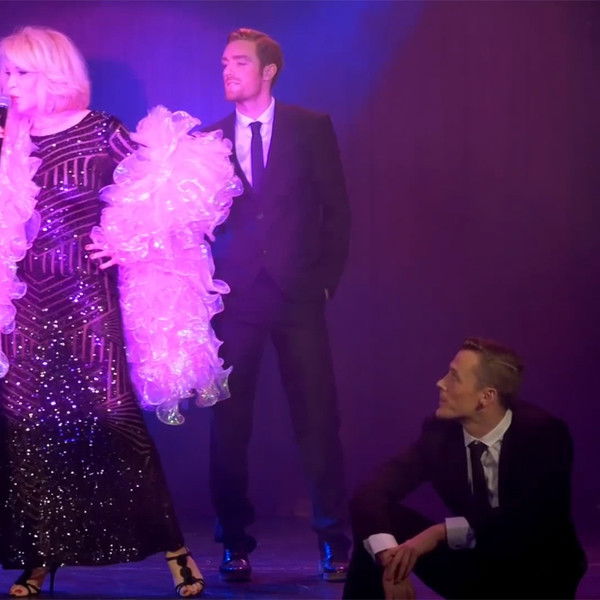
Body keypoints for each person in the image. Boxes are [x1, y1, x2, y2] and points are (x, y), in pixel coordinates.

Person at [0, 26, 208, 598]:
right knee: (27, 427)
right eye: (5, 72)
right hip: (24, 306)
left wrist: (130, 239)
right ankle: (39, 557)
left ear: (52, 73)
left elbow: (169, 184)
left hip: (86, 298)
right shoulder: (9, 137)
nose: (7, 83)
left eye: (18, 72)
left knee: (117, 418)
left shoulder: (100, 131)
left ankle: (175, 549)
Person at [205, 28, 352, 582]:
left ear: (268, 71)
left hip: (296, 296)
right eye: (224, 62)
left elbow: (336, 211)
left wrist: (324, 283)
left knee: (317, 419)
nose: (228, 70)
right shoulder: (208, 139)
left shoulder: (310, 128)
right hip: (235, 300)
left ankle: (334, 540)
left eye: (240, 62)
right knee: (228, 426)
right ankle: (233, 544)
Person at [343, 338, 587, 599]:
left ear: (486, 397)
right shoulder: (439, 433)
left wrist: (439, 533)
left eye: (454, 377)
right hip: (474, 567)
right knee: (379, 524)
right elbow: (371, 491)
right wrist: (390, 560)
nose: (440, 382)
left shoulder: (542, 434)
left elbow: (527, 520)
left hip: (535, 571)